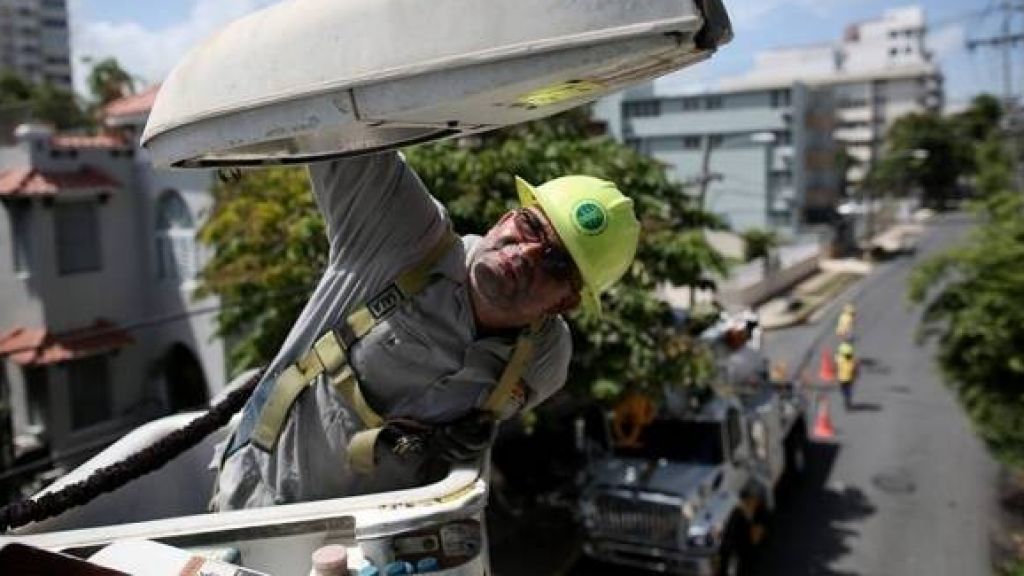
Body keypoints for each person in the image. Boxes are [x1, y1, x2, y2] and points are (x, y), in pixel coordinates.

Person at [210, 151, 640, 510]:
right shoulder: (404, 237)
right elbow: (341, 117)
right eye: (530, 226)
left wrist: (461, 437)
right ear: (509, 216)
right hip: (259, 504)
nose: (526, 253)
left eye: (556, 263)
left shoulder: (544, 360)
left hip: (376, 543)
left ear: (564, 302)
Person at [836, 340, 858, 409]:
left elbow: (836, 361)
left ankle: (846, 399)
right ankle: (848, 399)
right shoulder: (853, 360)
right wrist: (856, 375)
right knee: (849, 389)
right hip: (850, 377)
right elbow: (855, 368)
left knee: (844, 389)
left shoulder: (840, 359)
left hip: (841, 377)